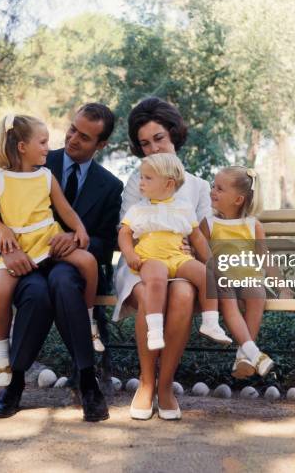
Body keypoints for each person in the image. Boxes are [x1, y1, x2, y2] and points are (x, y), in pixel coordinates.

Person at [0, 103, 123, 421]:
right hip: (23, 261)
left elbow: (103, 241)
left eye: (84, 137)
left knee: (62, 282)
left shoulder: (111, 186)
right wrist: (8, 250)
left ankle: (87, 382)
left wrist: (74, 237)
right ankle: (14, 383)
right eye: (72, 129)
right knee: (35, 293)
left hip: (68, 265)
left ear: (101, 145)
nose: (72, 139)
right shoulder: (35, 160)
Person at [113, 97, 210, 421]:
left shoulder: (197, 186)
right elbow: (128, 228)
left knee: (182, 293)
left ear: (173, 134)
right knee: (149, 291)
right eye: (145, 144)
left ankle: (165, 385)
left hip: (181, 263)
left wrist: (192, 248)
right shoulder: (137, 181)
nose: (153, 149)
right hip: (140, 263)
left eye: (158, 139)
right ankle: (146, 381)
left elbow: (202, 236)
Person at [119, 153, 231, 351]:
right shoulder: (138, 209)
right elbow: (125, 234)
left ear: (169, 184)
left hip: (178, 258)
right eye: (142, 177)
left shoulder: (184, 208)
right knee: (156, 278)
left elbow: (197, 237)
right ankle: (154, 330)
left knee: (207, 276)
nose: (141, 182)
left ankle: (210, 322)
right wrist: (130, 254)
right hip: (150, 259)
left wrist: (211, 263)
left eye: (147, 178)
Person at [201, 166, 293, 379]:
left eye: (220, 189)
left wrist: (282, 286)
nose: (213, 191)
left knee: (257, 293)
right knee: (227, 297)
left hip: (248, 278)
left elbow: (264, 258)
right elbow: (201, 253)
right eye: (214, 186)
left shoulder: (253, 225)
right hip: (222, 280)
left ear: (238, 199)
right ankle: (252, 353)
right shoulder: (209, 223)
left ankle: (243, 356)